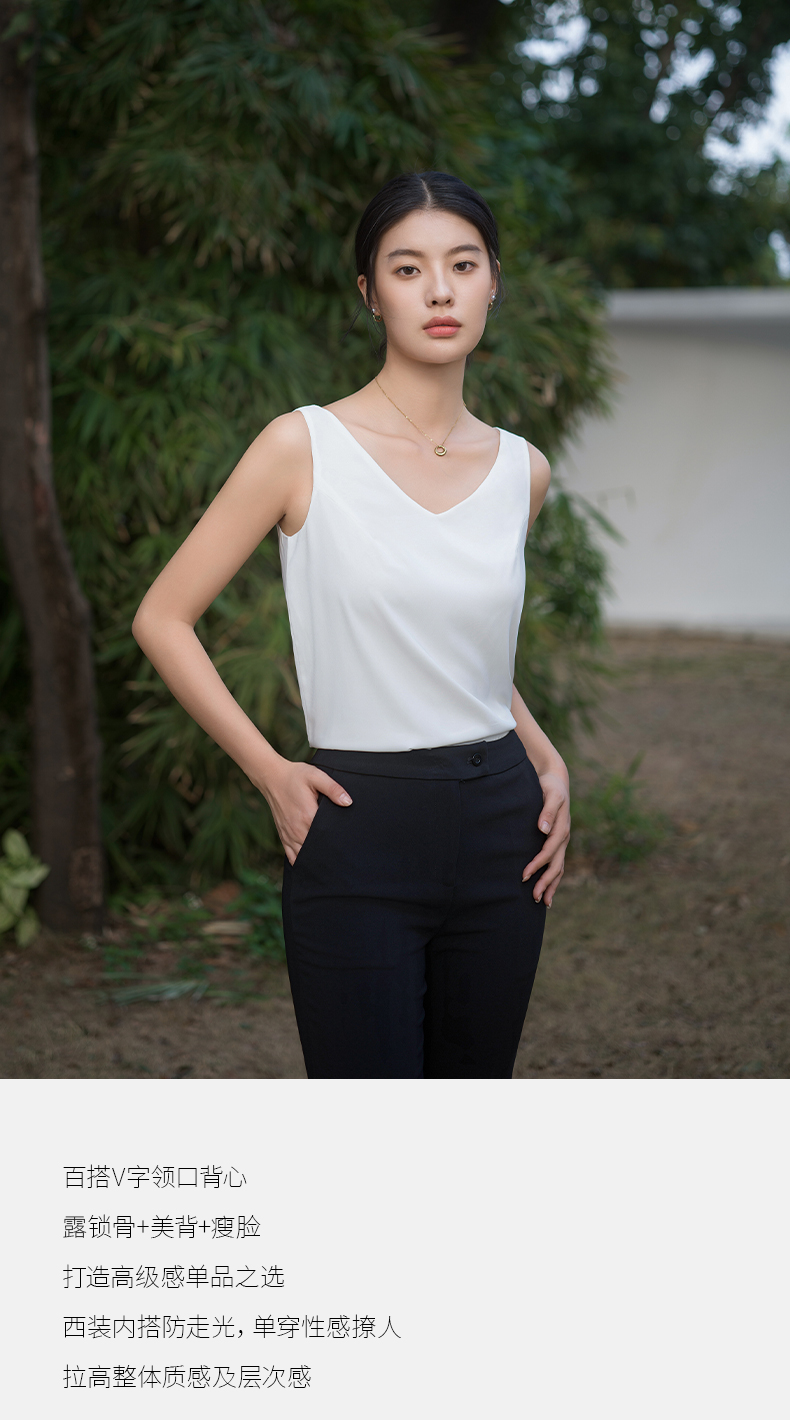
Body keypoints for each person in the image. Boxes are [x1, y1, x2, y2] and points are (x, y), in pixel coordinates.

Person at [132, 170, 571, 1080]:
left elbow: (463, 658)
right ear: (371, 293)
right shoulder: (303, 447)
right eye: (408, 269)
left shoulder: (522, 471)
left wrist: (543, 755)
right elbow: (163, 618)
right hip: (356, 823)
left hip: (503, 825)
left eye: (463, 264)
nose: (440, 290)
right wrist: (271, 773)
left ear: (495, 282)